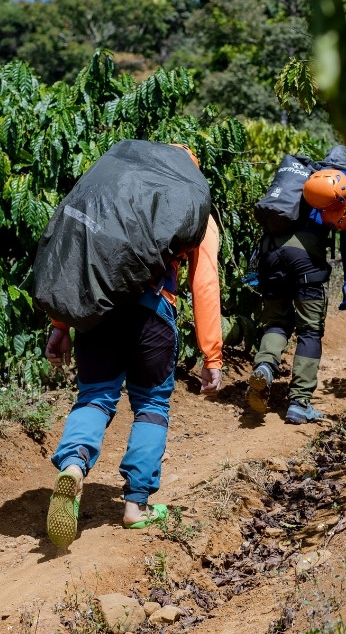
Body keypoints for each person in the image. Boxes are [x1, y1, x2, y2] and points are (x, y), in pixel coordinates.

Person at [43, 144, 224, 547]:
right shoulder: (195, 207)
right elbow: (205, 283)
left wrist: (60, 325)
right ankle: (135, 505)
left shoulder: (114, 192)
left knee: (94, 396)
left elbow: (76, 255)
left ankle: (73, 465)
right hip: (153, 315)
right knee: (151, 405)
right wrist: (212, 355)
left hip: (99, 313)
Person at [247, 145, 346, 424]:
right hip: (305, 257)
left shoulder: (306, 175)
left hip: (270, 253)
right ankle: (299, 403)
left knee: (276, 322)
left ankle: (264, 367)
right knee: (309, 331)